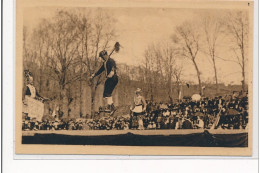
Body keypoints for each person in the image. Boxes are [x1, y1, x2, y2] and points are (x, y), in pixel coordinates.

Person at [91, 50, 119, 114]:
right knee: (106, 94)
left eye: (102, 57)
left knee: (107, 93)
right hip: (109, 79)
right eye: (101, 57)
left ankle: (110, 107)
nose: (102, 58)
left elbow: (113, 68)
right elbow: (100, 70)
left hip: (113, 78)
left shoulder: (111, 61)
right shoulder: (105, 63)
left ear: (105, 55)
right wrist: (94, 75)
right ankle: (111, 107)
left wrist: (111, 73)